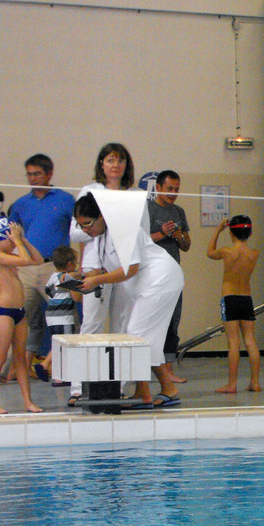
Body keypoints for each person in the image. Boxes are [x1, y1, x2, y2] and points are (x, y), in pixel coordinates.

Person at [73, 192, 184, 408]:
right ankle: (166, 390)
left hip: (160, 280)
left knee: (137, 336)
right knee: (144, 338)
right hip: (147, 285)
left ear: (102, 216)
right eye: (80, 226)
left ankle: (145, 394)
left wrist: (96, 281)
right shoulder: (100, 237)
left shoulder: (123, 230)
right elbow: (102, 270)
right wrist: (77, 278)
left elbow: (130, 269)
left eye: (87, 224)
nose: (85, 230)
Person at [0, 154, 75, 375]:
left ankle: (66, 369)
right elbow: (5, 234)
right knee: (20, 317)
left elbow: (79, 229)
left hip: (54, 267)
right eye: (30, 174)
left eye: (37, 174)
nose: (33, 178)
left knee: (67, 317)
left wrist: (77, 264)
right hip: (26, 268)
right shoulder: (21, 204)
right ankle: (9, 370)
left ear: (49, 174)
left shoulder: (65, 200)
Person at [73, 143, 137, 336]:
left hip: (125, 265)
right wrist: (102, 225)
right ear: (102, 164)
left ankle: (120, 357)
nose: (116, 165)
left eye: (120, 160)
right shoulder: (89, 191)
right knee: (92, 323)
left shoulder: (134, 194)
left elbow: (141, 232)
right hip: (95, 264)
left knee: (124, 323)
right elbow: (75, 232)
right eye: (110, 160)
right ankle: (88, 357)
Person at [0, 218, 44, 415]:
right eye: (10, 239)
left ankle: (28, 401)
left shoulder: (9, 254)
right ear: (1, 238)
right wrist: (18, 241)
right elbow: (25, 260)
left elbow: (38, 260)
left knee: (20, 359)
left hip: (19, 312)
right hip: (4, 312)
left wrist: (23, 240)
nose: (13, 243)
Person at [207, 215, 261, 394]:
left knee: (233, 342)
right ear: (250, 233)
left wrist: (217, 230)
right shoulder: (254, 254)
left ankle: (231, 384)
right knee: (250, 340)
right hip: (246, 298)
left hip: (229, 298)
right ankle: (255, 382)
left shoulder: (227, 252)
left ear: (231, 233)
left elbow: (210, 252)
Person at [147, 170, 191, 384]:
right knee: (150, 322)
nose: (173, 193)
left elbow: (187, 245)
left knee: (172, 322)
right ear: (158, 188)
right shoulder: (146, 209)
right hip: (150, 276)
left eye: (177, 189)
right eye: (169, 189)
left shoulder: (179, 211)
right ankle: (144, 368)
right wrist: (162, 233)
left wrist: (178, 235)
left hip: (173, 275)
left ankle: (168, 369)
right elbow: (138, 240)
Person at [42, 246, 81, 385]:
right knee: (66, 346)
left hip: (51, 317)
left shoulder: (53, 277)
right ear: (70, 264)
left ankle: (57, 374)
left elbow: (48, 291)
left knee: (57, 344)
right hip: (64, 317)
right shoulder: (68, 279)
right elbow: (77, 298)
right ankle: (61, 375)